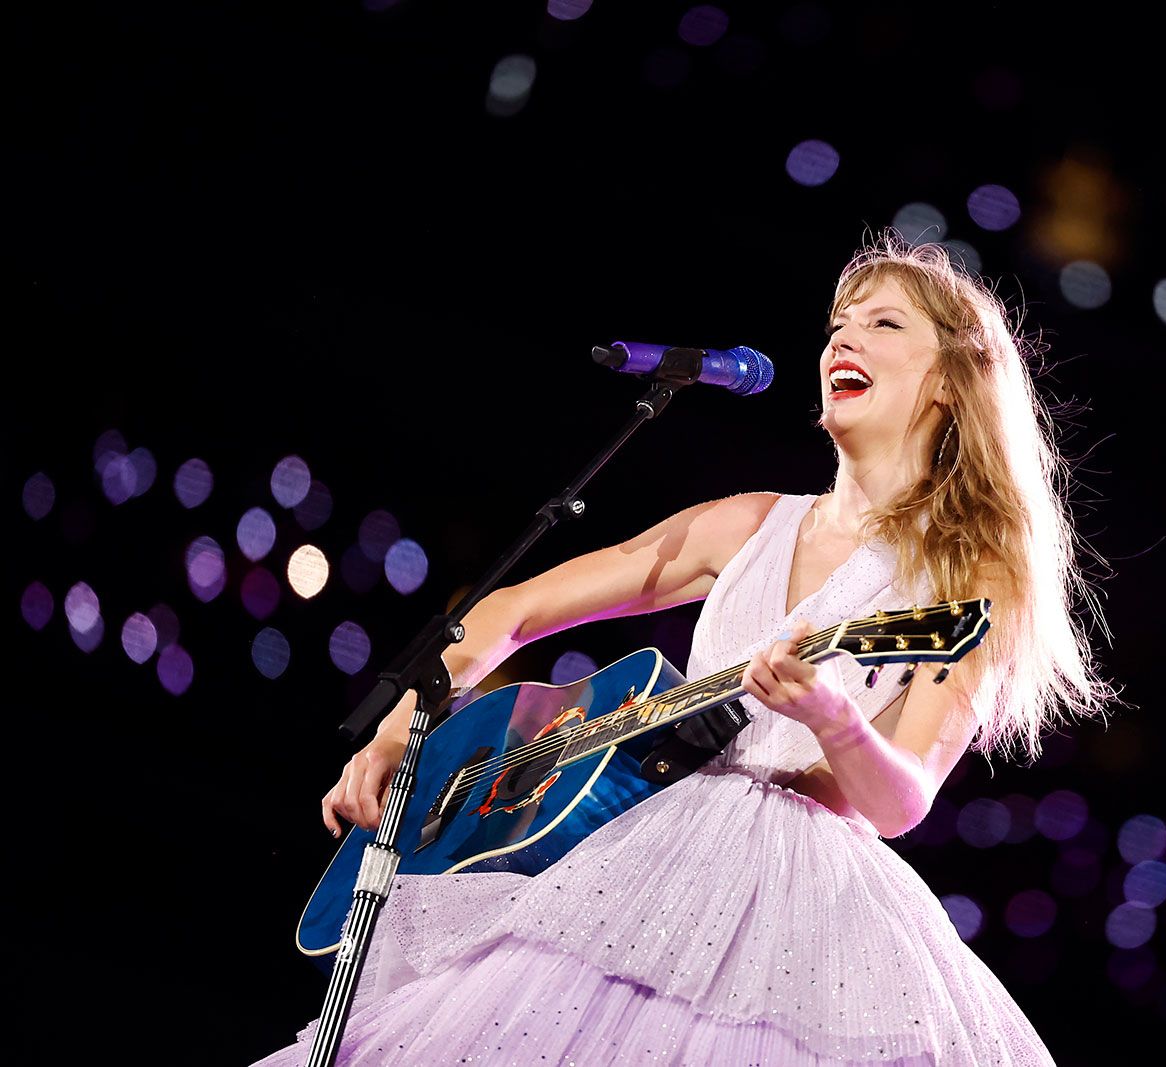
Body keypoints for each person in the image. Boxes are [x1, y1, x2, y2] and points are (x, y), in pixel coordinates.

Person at [255, 235, 1111, 1065]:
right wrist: (403, 725)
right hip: (637, 847)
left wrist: (832, 717)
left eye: (885, 325)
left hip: (797, 906)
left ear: (952, 383)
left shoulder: (972, 572)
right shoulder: (745, 522)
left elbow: (901, 800)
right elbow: (512, 611)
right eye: (839, 323)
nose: (845, 337)